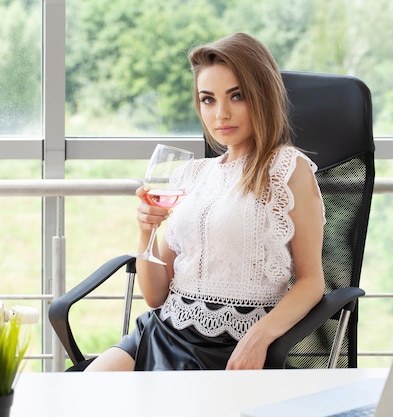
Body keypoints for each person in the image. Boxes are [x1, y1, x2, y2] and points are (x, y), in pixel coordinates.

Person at [85, 32, 326, 371]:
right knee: (84, 391)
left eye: (236, 96)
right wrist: (146, 230)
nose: (220, 114)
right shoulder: (191, 174)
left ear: (262, 97)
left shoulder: (287, 168)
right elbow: (155, 296)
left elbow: (312, 281)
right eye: (208, 99)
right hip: (162, 330)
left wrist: (259, 337)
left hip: (230, 345)